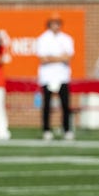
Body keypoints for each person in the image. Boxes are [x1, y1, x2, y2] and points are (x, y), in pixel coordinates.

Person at [35, 13, 74, 141]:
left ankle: (67, 129)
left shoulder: (66, 39)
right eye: (53, 23)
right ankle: (46, 130)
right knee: (47, 105)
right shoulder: (42, 39)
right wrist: (59, 58)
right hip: (47, 77)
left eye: (58, 23)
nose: (56, 26)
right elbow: (43, 58)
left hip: (62, 76)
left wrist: (52, 58)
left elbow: (67, 56)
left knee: (65, 105)